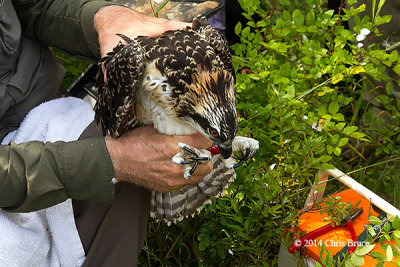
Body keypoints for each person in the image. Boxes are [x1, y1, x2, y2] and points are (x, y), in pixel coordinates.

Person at [1, 0, 213, 265]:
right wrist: (107, 162)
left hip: (33, 106)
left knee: (127, 158)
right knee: (119, 162)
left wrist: (105, 20)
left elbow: (36, 5)